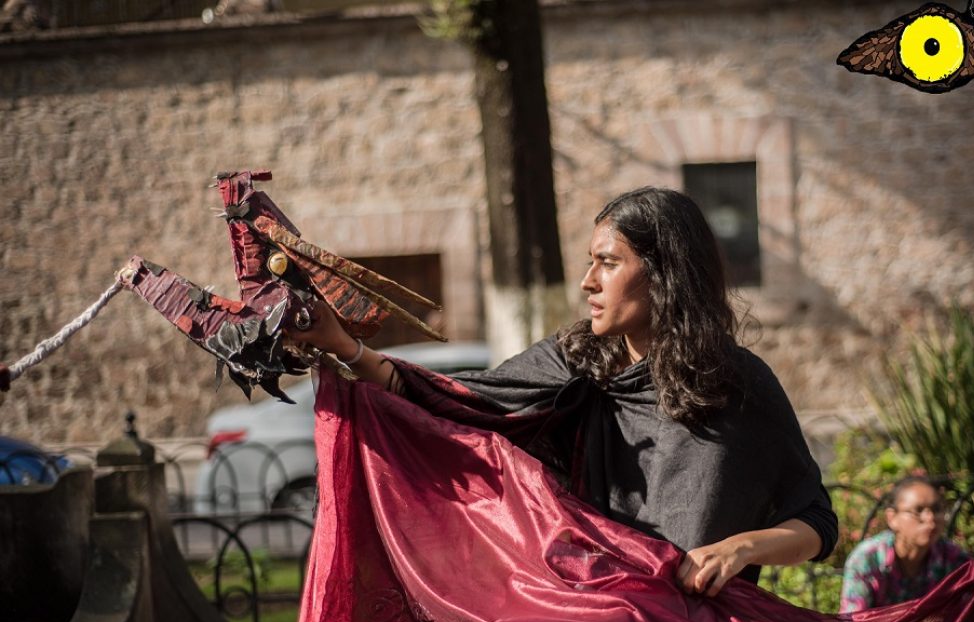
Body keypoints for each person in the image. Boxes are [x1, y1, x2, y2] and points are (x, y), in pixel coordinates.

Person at [292, 186, 838, 598]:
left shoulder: (739, 384)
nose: (588, 282)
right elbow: (451, 399)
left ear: (665, 273)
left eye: (608, 262)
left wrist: (742, 547)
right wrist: (344, 347)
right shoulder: (574, 363)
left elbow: (814, 519)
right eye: (589, 262)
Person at [839, 476, 969, 613]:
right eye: (918, 510)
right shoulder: (867, 559)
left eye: (936, 509)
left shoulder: (953, 558)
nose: (930, 518)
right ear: (892, 518)